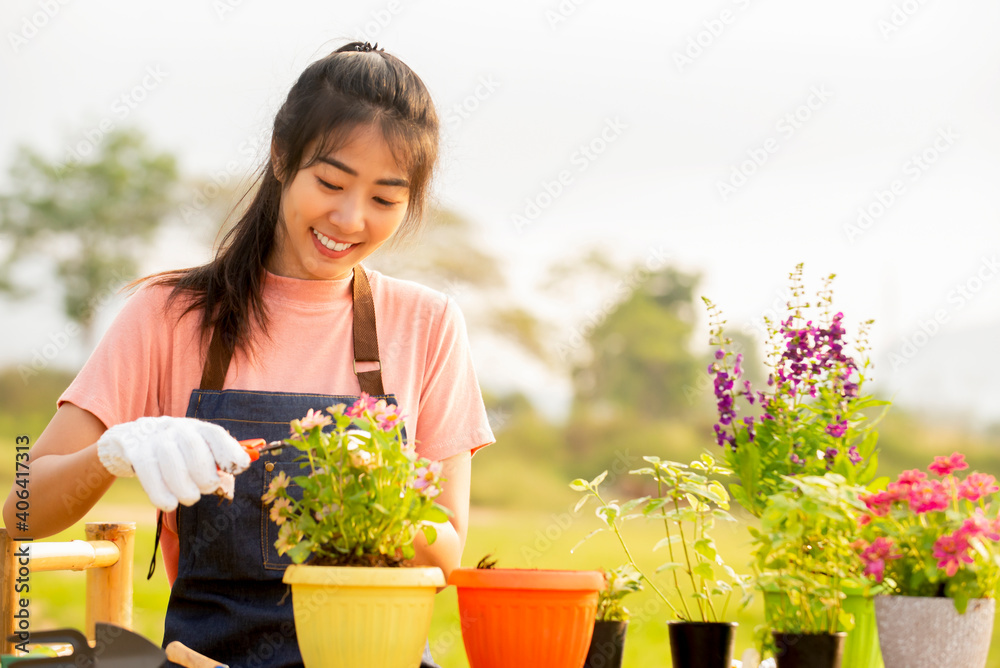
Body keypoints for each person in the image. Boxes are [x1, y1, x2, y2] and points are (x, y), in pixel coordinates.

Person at [3, 41, 495, 668]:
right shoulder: (168, 315)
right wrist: (111, 451)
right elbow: (19, 510)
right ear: (282, 156)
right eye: (331, 182)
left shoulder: (428, 324)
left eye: (383, 198)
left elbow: (447, 552)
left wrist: (375, 489)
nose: (348, 218)